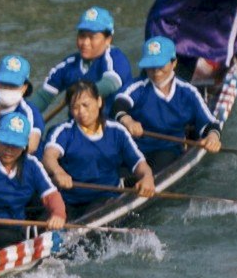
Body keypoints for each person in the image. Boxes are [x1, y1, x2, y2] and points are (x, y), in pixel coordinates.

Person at [43, 80, 156, 216]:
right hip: (69, 200)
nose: (81, 112)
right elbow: (49, 156)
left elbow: (139, 163)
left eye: (86, 105)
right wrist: (58, 171)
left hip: (105, 197)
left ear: (99, 102)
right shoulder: (63, 131)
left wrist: (147, 177)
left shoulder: (117, 130)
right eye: (75, 107)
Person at [0, 109, 69, 250]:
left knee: (4, 236)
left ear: (24, 145)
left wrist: (58, 214)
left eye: (15, 145)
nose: (9, 150)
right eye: (5, 143)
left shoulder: (32, 165)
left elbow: (51, 195)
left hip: (10, 232)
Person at [114, 36, 224, 167]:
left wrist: (213, 137)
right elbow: (119, 104)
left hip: (168, 150)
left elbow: (210, 124)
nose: (156, 72)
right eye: (151, 66)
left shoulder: (188, 92)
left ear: (174, 63)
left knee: (162, 160)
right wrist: (127, 119)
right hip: (133, 148)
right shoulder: (138, 86)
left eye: (161, 66)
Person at [40, 7, 136, 107]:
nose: (85, 43)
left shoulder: (116, 58)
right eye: (82, 36)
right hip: (78, 121)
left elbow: (111, 83)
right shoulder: (69, 64)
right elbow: (43, 97)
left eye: (92, 37)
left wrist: (80, 95)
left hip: (112, 119)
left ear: (108, 39)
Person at [0, 54, 45, 152]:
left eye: (12, 86)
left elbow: (31, 147)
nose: (6, 89)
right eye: (3, 83)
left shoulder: (30, 113)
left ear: (24, 87)